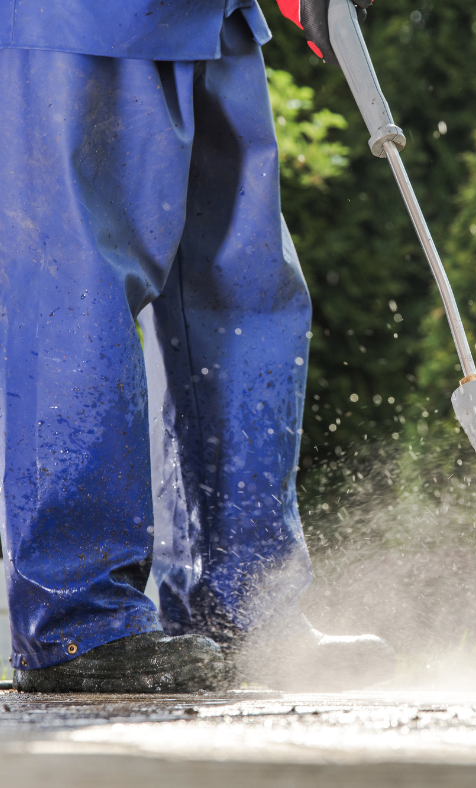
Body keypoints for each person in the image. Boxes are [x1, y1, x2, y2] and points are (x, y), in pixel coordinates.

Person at [0, 0, 391, 693]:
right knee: (78, 290)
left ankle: (247, 605)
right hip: (84, 20)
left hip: (218, 18)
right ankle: (79, 619)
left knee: (244, 293)